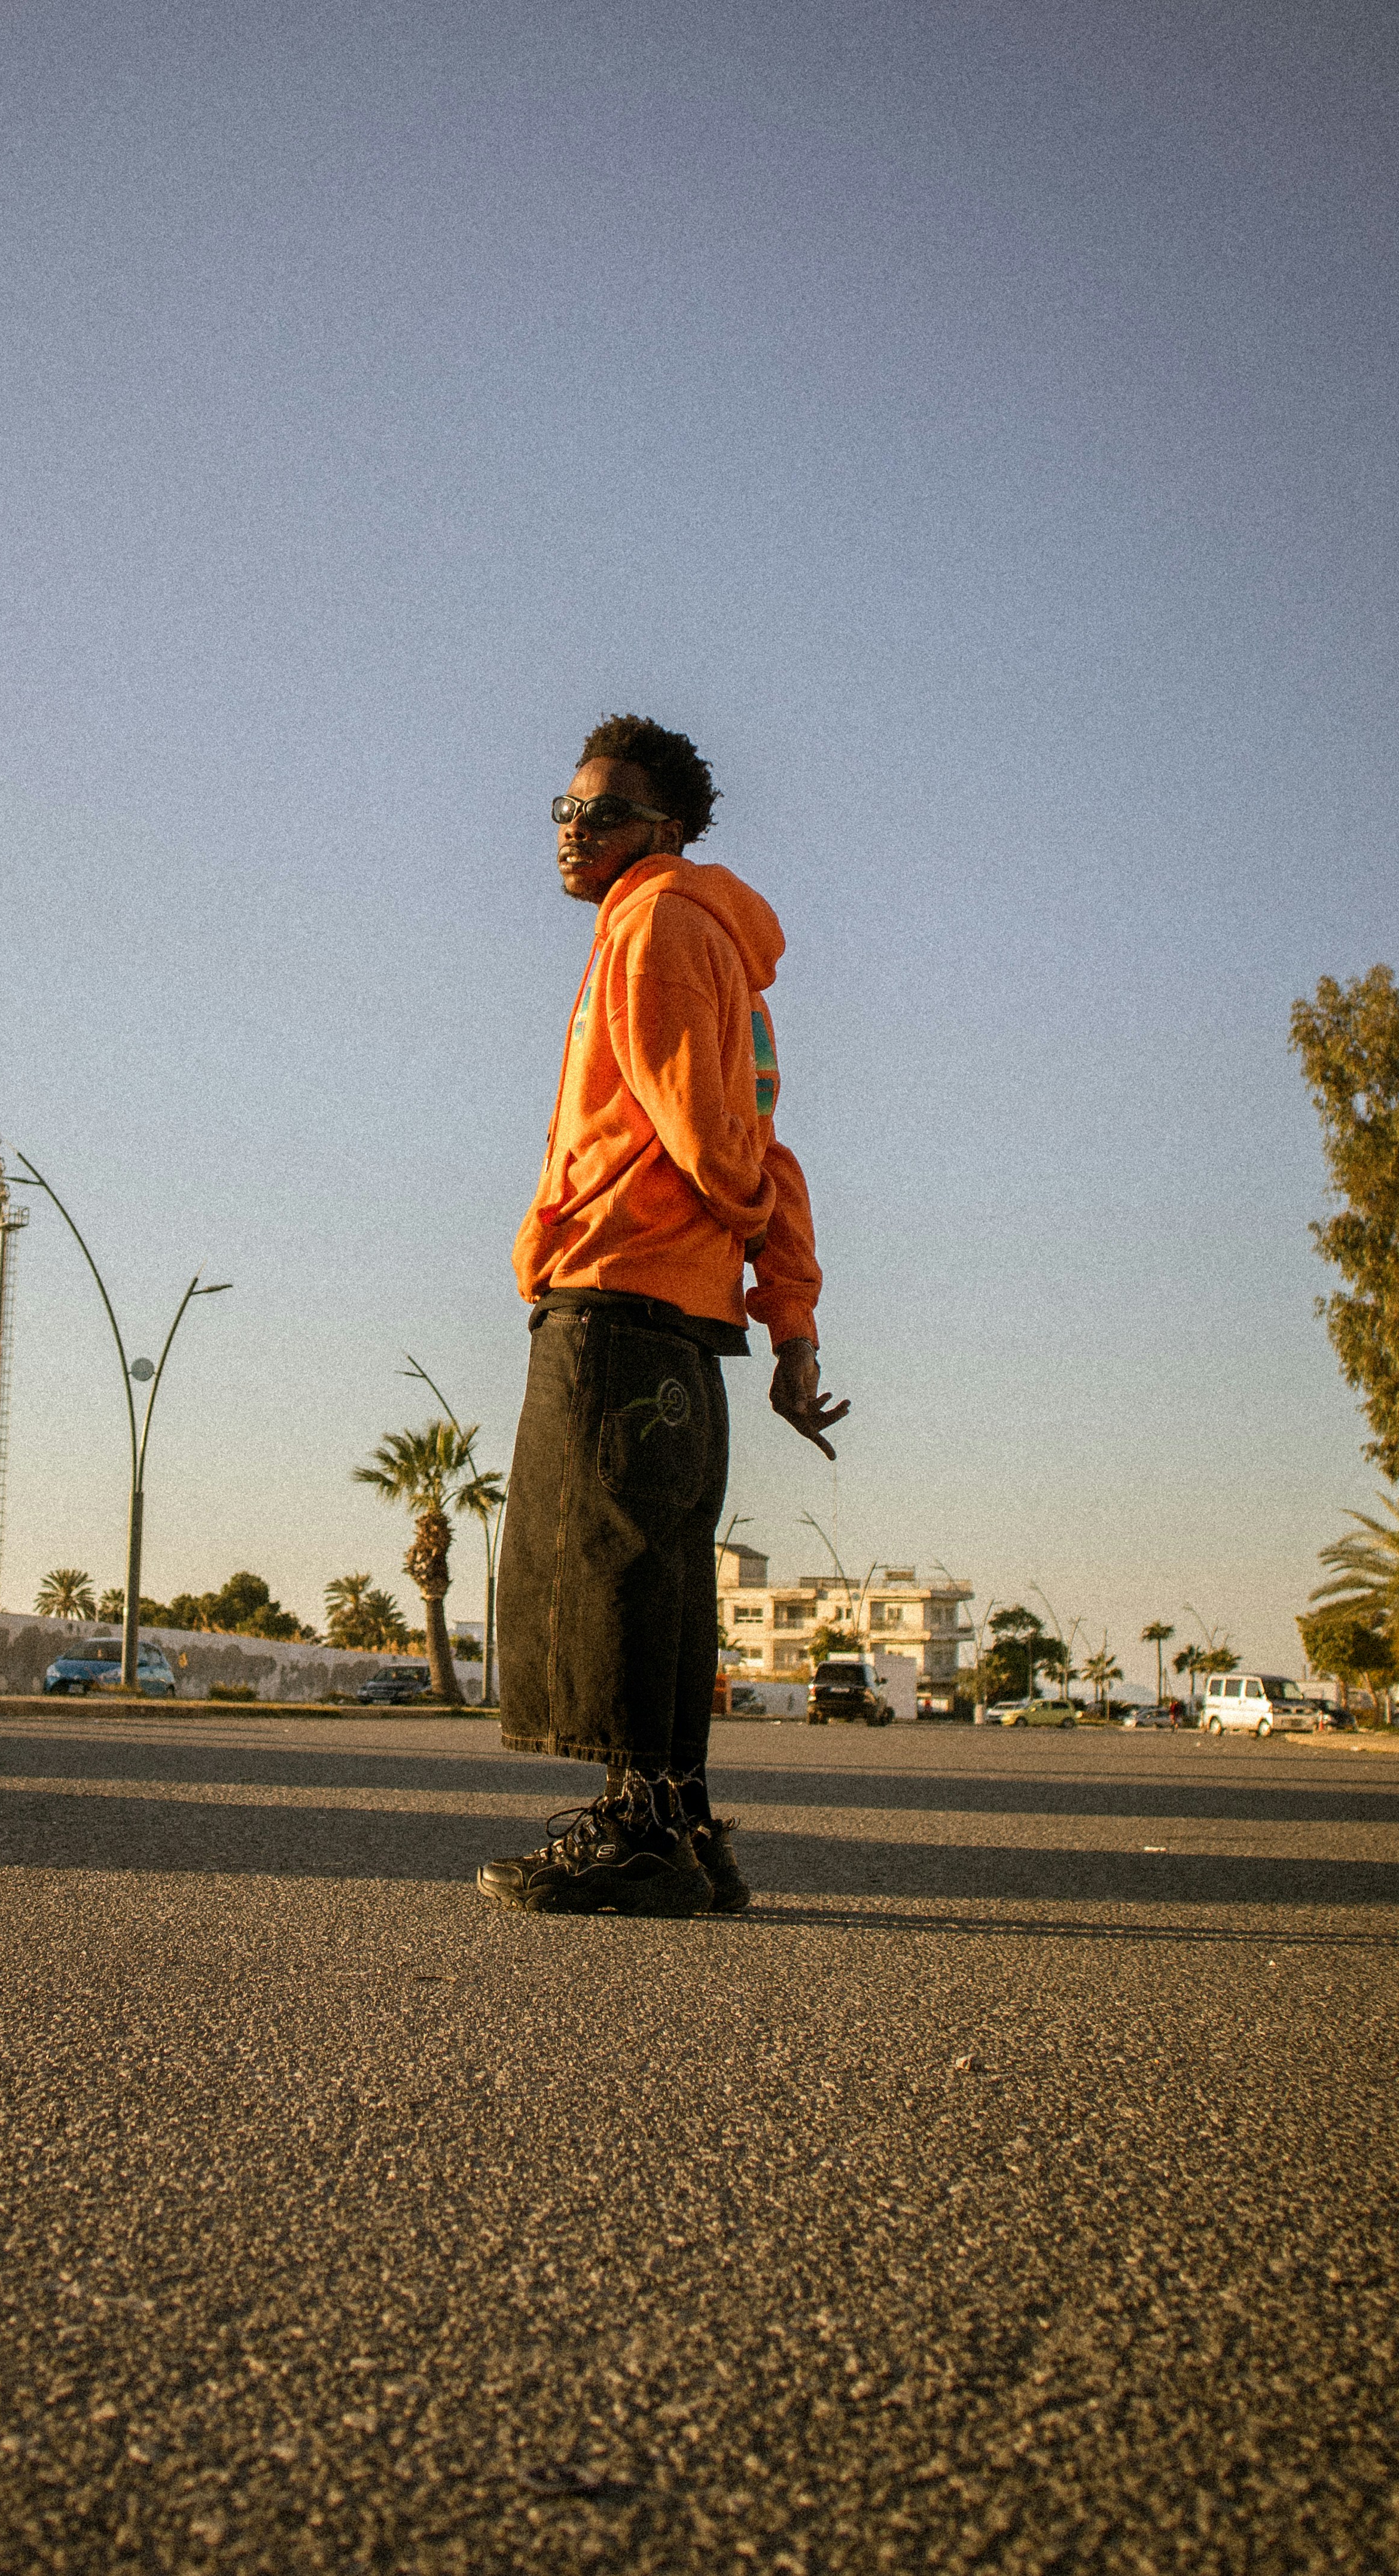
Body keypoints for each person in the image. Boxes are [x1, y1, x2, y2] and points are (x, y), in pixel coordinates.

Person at [480, 714, 846, 1919]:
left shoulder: (655, 925)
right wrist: (787, 1319)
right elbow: (762, 1144)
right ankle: (684, 1827)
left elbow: (717, 1138)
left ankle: (637, 1828)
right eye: (566, 809)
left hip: (622, 1291)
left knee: (609, 1560)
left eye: (603, 812)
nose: (573, 831)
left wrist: (726, 1214)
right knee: (662, 1568)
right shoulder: (715, 950)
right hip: (681, 1309)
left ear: (664, 828)